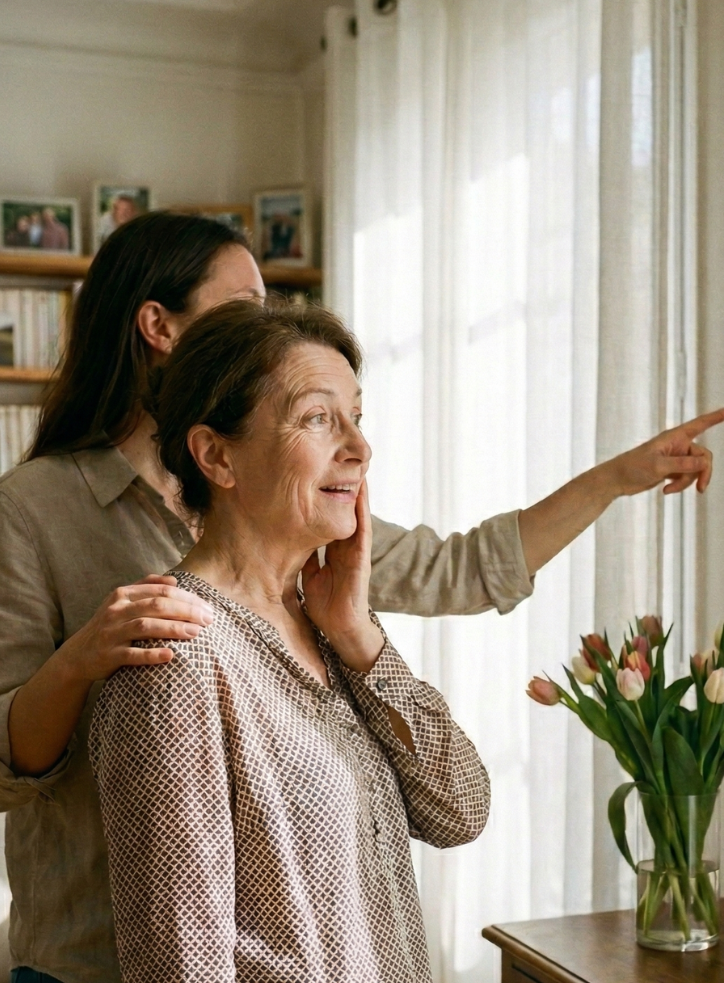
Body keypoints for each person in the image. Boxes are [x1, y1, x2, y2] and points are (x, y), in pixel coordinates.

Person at [0, 212, 724, 983]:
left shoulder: (313, 549)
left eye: (354, 418)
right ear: (160, 329)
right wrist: (81, 660)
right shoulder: (43, 519)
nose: (358, 447)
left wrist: (616, 478)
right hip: (90, 951)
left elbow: (458, 582)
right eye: (247, 310)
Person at [91, 301, 489, 982]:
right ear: (217, 455)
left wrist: (363, 639)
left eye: (356, 418)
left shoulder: (330, 631)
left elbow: (461, 810)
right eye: (317, 418)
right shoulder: (175, 661)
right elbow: (179, 966)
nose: (359, 449)